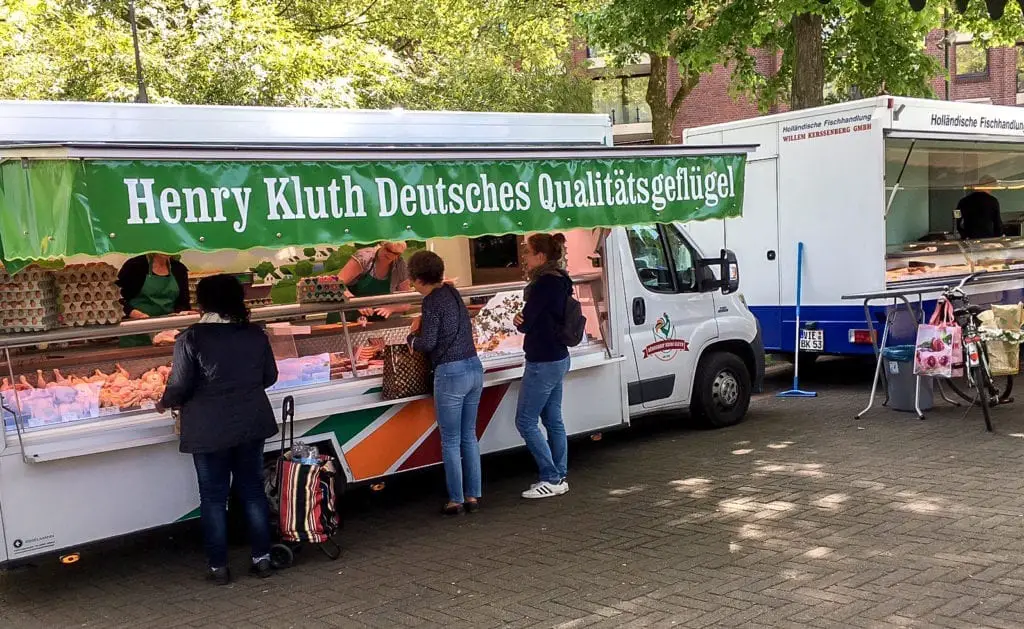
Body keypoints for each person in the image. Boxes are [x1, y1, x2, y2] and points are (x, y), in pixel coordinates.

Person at [157, 274, 279, 585]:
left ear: (204, 301)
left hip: (208, 427)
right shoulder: (255, 333)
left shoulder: (192, 337)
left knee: (213, 497)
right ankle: (262, 558)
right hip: (251, 421)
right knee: (252, 490)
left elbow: (180, 385)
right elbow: (270, 376)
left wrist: (164, 403)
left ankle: (218, 567)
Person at [406, 251, 484, 515]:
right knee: (469, 436)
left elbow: (428, 343)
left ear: (418, 279)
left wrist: (410, 339)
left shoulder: (431, 301)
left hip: (450, 373)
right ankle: (473, 495)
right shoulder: (452, 293)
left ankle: (456, 499)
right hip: (474, 367)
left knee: (450, 440)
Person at [514, 234, 572, 499]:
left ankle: (550, 476)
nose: (524, 257)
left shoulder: (542, 284)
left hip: (542, 359)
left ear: (540, 256)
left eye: (527, 252)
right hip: (559, 355)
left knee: (525, 421)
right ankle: (560, 475)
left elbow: (526, 321)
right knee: (553, 419)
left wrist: (519, 320)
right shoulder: (562, 279)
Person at [116, 253, 191, 347]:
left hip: (168, 332)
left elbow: (183, 302)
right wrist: (137, 314)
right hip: (136, 333)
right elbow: (117, 299)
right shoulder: (135, 266)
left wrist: (180, 315)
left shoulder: (179, 269)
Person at [327, 241, 412, 324]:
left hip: (374, 321)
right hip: (344, 316)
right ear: (381, 245)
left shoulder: (400, 266)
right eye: (387, 250)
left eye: (395, 253)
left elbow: (407, 302)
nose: (389, 254)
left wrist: (390, 308)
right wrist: (357, 303)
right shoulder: (364, 257)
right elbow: (336, 284)